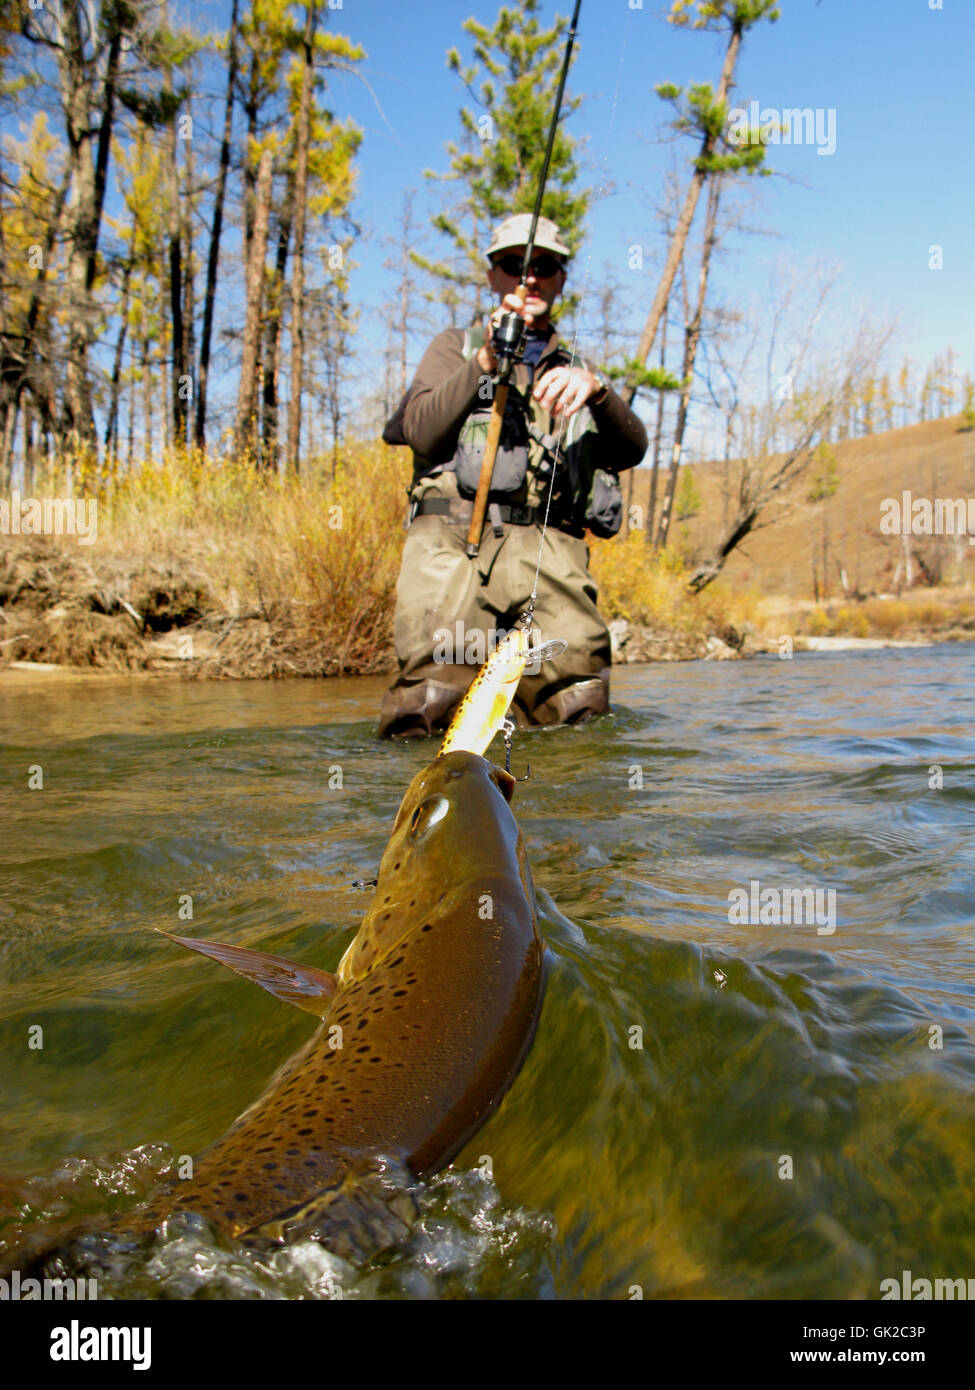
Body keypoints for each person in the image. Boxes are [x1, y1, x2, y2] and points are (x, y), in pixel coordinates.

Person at [378, 213, 648, 738]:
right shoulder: (452, 348)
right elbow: (421, 432)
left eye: (544, 266)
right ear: (492, 276)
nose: (529, 278)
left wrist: (596, 390)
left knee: (577, 705)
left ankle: (562, 818)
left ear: (561, 278)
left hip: (553, 553)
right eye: (513, 265)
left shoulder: (577, 366)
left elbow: (632, 447)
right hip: (454, 546)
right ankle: (428, 817)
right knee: (430, 707)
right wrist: (483, 361)